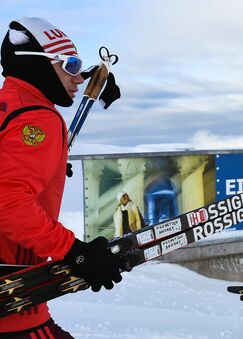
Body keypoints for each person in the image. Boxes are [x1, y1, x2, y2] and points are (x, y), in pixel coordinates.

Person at [0, 17, 125, 337]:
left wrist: (48, 167)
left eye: (79, 67)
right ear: (37, 66)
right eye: (69, 64)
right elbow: (8, 204)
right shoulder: (37, 118)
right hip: (15, 307)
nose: (77, 78)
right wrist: (75, 252)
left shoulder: (8, 104)